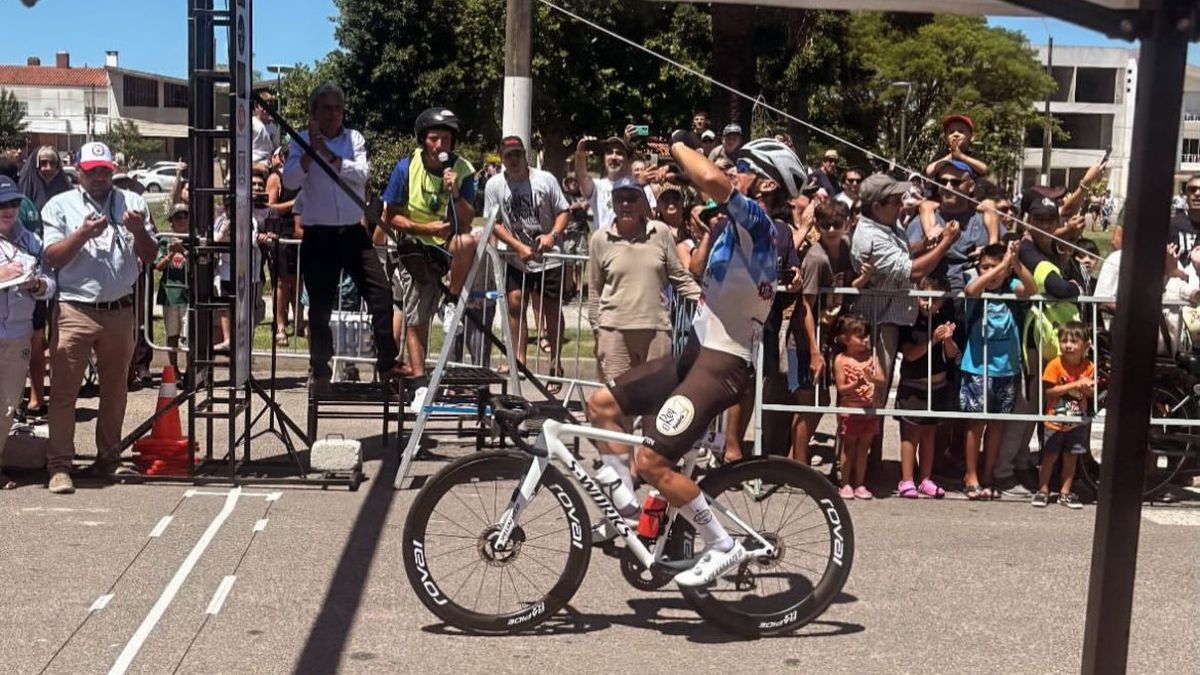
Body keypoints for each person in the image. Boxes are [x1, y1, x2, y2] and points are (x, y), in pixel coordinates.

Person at [587, 137, 807, 585]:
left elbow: (708, 176)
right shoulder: (736, 227)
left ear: (766, 183)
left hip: (720, 365)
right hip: (693, 356)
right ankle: (625, 508)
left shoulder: (759, 221)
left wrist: (675, 146)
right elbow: (694, 269)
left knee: (651, 461)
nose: (731, 171)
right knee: (600, 406)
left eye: (741, 166)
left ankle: (722, 544)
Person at [41, 141, 157, 493]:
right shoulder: (59, 205)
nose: (99, 177)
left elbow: (151, 255)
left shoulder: (133, 202)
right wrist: (82, 234)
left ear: (113, 171)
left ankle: (109, 458)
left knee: (116, 390)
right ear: (78, 172)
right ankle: (60, 466)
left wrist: (138, 231)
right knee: (64, 392)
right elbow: (52, 257)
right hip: (74, 309)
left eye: (104, 171)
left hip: (119, 309)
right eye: (92, 172)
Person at [283, 82, 401, 387]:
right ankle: (320, 370)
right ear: (314, 113)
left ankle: (387, 362)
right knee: (319, 308)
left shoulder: (353, 139)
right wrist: (312, 152)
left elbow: (362, 174)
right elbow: (290, 180)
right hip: (319, 235)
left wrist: (330, 156)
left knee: (381, 294)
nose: (334, 114)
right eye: (327, 108)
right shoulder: (299, 141)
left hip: (352, 233)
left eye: (338, 108)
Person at [383, 107, 478, 381]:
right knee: (416, 317)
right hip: (416, 247)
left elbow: (467, 218)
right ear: (423, 139)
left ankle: (452, 300)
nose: (439, 145)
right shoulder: (406, 167)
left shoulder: (463, 169)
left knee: (466, 240)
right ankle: (419, 378)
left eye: (445, 139)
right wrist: (426, 228)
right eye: (434, 138)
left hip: (449, 245)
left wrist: (456, 192)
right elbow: (391, 216)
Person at [586, 176, 700, 384]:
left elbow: (680, 278)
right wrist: (597, 332)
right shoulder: (599, 239)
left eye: (632, 198)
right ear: (613, 203)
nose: (626, 204)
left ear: (642, 202)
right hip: (613, 331)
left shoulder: (660, 233)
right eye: (620, 199)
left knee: (654, 397)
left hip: (656, 330)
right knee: (617, 398)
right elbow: (594, 290)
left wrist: (708, 302)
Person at [485, 136, 570, 383]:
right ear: (502, 159)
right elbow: (493, 222)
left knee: (550, 309)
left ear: (525, 155)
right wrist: (518, 246)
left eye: (518, 154)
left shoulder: (545, 180)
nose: (514, 160)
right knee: (514, 304)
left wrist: (552, 235)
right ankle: (518, 359)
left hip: (548, 258)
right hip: (516, 257)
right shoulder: (494, 185)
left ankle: (555, 361)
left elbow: (563, 211)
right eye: (508, 156)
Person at [960, 242, 1035, 500]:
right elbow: (971, 290)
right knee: (976, 423)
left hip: (1007, 369)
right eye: (984, 267)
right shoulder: (977, 284)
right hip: (977, 367)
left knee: (997, 425)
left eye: (995, 267)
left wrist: (1014, 264)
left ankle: (989, 473)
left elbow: (1031, 289)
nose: (989, 273)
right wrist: (1000, 266)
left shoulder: (1011, 286)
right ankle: (971, 475)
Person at [0, 176, 56, 490]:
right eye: (1, 205)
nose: (8, 210)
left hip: (18, 333)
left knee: (8, 404)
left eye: (13, 203)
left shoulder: (32, 241)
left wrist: (37, 285)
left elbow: (51, 282)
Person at [894, 276, 958, 499]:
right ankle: (907, 479)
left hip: (937, 386)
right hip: (913, 385)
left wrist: (946, 339)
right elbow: (910, 355)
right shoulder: (909, 321)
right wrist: (932, 341)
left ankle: (926, 478)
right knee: (910, 433)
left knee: (930, 434)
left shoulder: (944, 322)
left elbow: (952, 354)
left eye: (935, 300)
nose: (929, 304)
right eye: (924, 298)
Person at [1033, 321, 1094, 510]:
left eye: (1074, 341)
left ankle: (1065, 492)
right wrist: (1073, 385)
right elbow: (1049, 392)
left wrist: (1087, 388)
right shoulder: (1054, 364)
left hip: (1076, 422)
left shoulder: (1089, 366)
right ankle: (1043, 490)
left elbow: (1091, 394)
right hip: (1054, 421)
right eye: (1064, 340)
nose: (1068, 345)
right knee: (1049, 456)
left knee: (1071, 458)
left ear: (1085, 345)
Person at [833, 314, 885, 500]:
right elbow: (841, 389)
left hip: (869, 410)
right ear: (845, 339)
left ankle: (860, 483)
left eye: (866, 336)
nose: (865, 340)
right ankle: (845, 483)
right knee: (848, 447)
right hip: (850, 411)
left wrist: (872, 378)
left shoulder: (871, 357)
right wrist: (857, 383)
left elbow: (882, 379)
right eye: (860, 336)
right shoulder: (841, 360)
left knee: (864, 448)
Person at [573, 132, 655, 234]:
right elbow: (581, 177)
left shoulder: (641, 186)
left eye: (619, 153)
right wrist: (580, 152)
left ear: (628, 160)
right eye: (609, 152)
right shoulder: (598, 186)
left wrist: (639, 188)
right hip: (605, 242)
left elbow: (651, 220)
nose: (613, 157)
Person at [266, 145, 300, 345]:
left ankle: (299, 323)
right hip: (282, 235)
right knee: (282, 283)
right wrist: (293, 203)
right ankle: (280, 325)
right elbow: (269, 208)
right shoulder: (276, 178)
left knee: (299, 281)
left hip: (301, 234)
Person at [155, 203, 190, 373]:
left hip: (188, 294)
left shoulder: (193, 239)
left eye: (185, 216)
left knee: (189, 334)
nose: (182, 220)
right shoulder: (165, 239)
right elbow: (158, 266)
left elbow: (198, 263)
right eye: (178, 217)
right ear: (171, 221)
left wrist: (182, 250)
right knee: (172, 334)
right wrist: (171, 253)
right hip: (170, 293)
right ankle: (173, 369)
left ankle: (191, 369)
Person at [924, 114, 989, 178]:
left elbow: (984, 169)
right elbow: (929, 171)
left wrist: (960, 156)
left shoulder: (972, 155)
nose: (955, 134)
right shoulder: (942, 154)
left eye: (961, 131)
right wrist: (951, 156)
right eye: (951, 132)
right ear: (945, 139)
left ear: (971, 137)